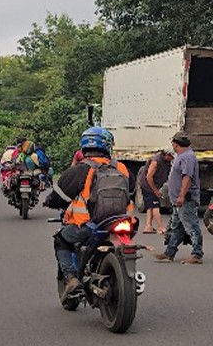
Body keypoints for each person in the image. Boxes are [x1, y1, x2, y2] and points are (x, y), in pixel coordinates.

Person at [45, 127, 134, 299]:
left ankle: (70, 279)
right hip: (122, 222)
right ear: (107, 146)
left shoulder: (80, 170)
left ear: (84, 146)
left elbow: (59, 198)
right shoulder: (122, 168)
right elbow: (132, 190)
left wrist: (49, 201)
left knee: (61, 239)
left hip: (90, 226)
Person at [152, 132, 203, 265]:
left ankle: (197, 254)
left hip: (185, 199)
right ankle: (169, 253)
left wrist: (181, 196)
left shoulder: (187, 157)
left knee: (191, 226)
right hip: (178, 200)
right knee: (176, 227)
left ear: (175, 144)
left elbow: (187, 177)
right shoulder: (182, 156)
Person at [139, 148, 172, 235]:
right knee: (155, 206)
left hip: (153, 185)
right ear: (167, 155)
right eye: (171, 157)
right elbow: (149, 177)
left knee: (150, 205)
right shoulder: (155, 161)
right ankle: (161, 226)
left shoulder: (166, 162)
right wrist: (155, 190)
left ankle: (148, 226)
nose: (172, 159)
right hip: (148, 185)